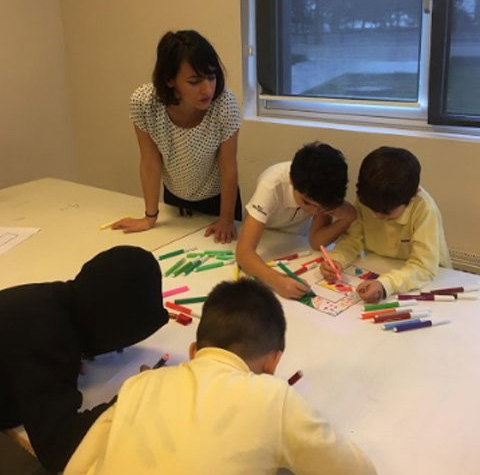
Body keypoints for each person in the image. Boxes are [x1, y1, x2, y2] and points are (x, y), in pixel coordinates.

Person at [64, 279, 376, 475]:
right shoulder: (273, 398)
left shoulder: (138, 385)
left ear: (193, 350)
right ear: (273, 362)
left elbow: (78, 467)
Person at [0, 246, 169, 473]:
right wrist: (134, 397)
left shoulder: (52, 300)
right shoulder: (47, 337)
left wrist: (71, 350)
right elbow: (59, 449)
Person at [112, 30, 241, 243]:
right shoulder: (144, 103)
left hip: (219, 201)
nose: (207, 89)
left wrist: (226, 220)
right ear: (170, 80)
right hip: (175, 197)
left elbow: (228, 167)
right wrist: (150, 217)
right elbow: (150, 163)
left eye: (212, 77)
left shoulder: (224, 104)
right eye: (194, 81)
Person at [321, 146, 451, 303]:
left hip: (430, 280)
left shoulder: (424, 209)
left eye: (386, 213)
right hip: (383, 266)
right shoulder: (370, 199)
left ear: (413, 194)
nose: (376, 215)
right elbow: (353, 239)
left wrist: (385, 285)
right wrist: (336, 260)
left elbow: (424, 267)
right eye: (372, 209)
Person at [236, 142, 356, 299]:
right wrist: (277, 281)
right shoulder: (271, 185)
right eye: (307, 203)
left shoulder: (322, 192)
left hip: (296, 245)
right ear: (291, 181)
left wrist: (348, 217)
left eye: (322, 208)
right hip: (264, 240)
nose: (314, 212)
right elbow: (243, 253)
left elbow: (316, 242)